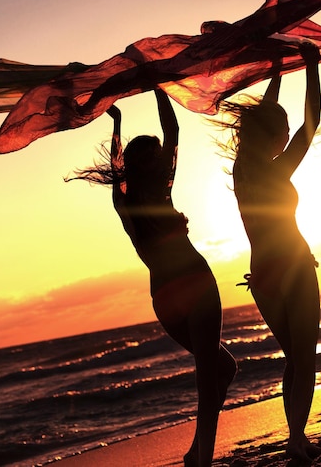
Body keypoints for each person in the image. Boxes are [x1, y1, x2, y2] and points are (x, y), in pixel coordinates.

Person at [68, 89, 236, 467]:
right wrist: (158, 88)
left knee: (224, 368)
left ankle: (197, 453)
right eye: (156, 155)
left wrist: (117, 123)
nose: (161, 158)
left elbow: (123, 163)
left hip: (164, 295)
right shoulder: (158, 194)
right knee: (209, 373)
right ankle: (203, 459)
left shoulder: (126, 203)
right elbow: (173, 130)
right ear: (151, 163)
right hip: (193, 280)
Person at [218, 42, 321, 462]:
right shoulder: (277, 170)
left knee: (293, 360)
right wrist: (312, 68)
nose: (286, 135)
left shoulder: (243, 168)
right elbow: (311, 125)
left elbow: (265, 116)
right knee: (305, 359)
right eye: (281, 130)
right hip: (295, 267)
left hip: (261, 276)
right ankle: (296, 437)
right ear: (272, 134)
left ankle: (295, 435)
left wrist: (278, 73)